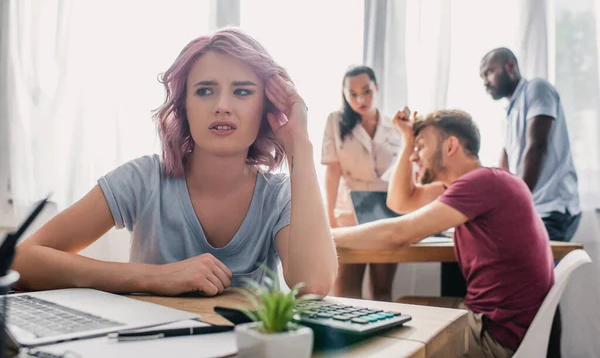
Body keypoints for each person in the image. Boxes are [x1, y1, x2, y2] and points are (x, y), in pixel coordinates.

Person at [13, 28, 338, 297]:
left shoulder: (279, 194)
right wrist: (155, 277)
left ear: (265, 107)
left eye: (242, 92)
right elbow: (21, 259)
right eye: (205, 91)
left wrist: (300, 143)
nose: (223, 106)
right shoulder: (142, 179)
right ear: (183, 106)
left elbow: (314, 286)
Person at [332, 109, 554, 357]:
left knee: (387, 327)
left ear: (450, 146)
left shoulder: (479, 183)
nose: (415, 157)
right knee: (402, 305)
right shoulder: (484, 181)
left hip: (492, 335)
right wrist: (408, 141)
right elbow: (399, 201)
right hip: (503, 325)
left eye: (422, 146)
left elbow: (398, 233)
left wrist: (328, 236)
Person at [480, 47, 581, 242]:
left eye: (489, 72)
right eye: (482, 76)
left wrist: (517, 201)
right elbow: (505, 166)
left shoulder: (536, 89)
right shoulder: (509, 112)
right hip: (535, 209)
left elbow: (536, 146)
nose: (485, 81)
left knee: (533, 271)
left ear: (510, 66)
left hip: (553, 210)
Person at [321, 65, 403, 301]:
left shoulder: (395, 127)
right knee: (346, 289)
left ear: (377, 88)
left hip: (387, 212)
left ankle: (387, 336)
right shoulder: (335, 121)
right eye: (353, 93)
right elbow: (332, 172)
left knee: (382, 288)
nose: (360, 99)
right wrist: (330, 217)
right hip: (348, 213)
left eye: (366, 91)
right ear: (344, 94)